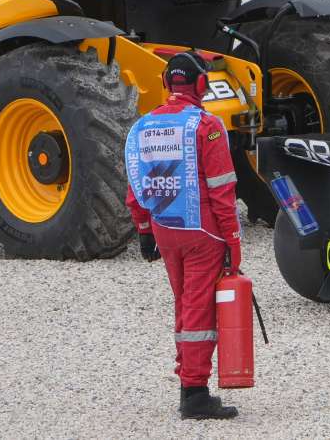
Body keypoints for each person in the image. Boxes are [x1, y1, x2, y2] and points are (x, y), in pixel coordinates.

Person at [125, 51, 243, 420]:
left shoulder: (141, 127)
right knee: (199, 311)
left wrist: (145, 231)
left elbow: (135, 188)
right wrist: (234, 242)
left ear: (166, 84)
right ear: (201, 85)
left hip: (164, 230)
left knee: (184, 305)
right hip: (202, 233)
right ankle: (194, 393)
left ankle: (187, 378)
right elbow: (223, 191)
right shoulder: (206, 126)